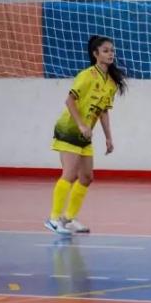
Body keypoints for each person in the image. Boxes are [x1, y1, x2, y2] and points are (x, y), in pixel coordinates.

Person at [45, 35, 126, 235]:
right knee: (70, 174)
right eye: (106, 51)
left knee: (87, 177)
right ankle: (53, 219)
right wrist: (81, 124)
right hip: (68, 128)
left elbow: (103, 111)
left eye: (112, 50)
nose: (110, 54)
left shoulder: (111, 83)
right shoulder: (87, 75)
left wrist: (108, 137)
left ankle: (69, 218)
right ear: (95, 54)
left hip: (85, 134)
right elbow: (69, 101)